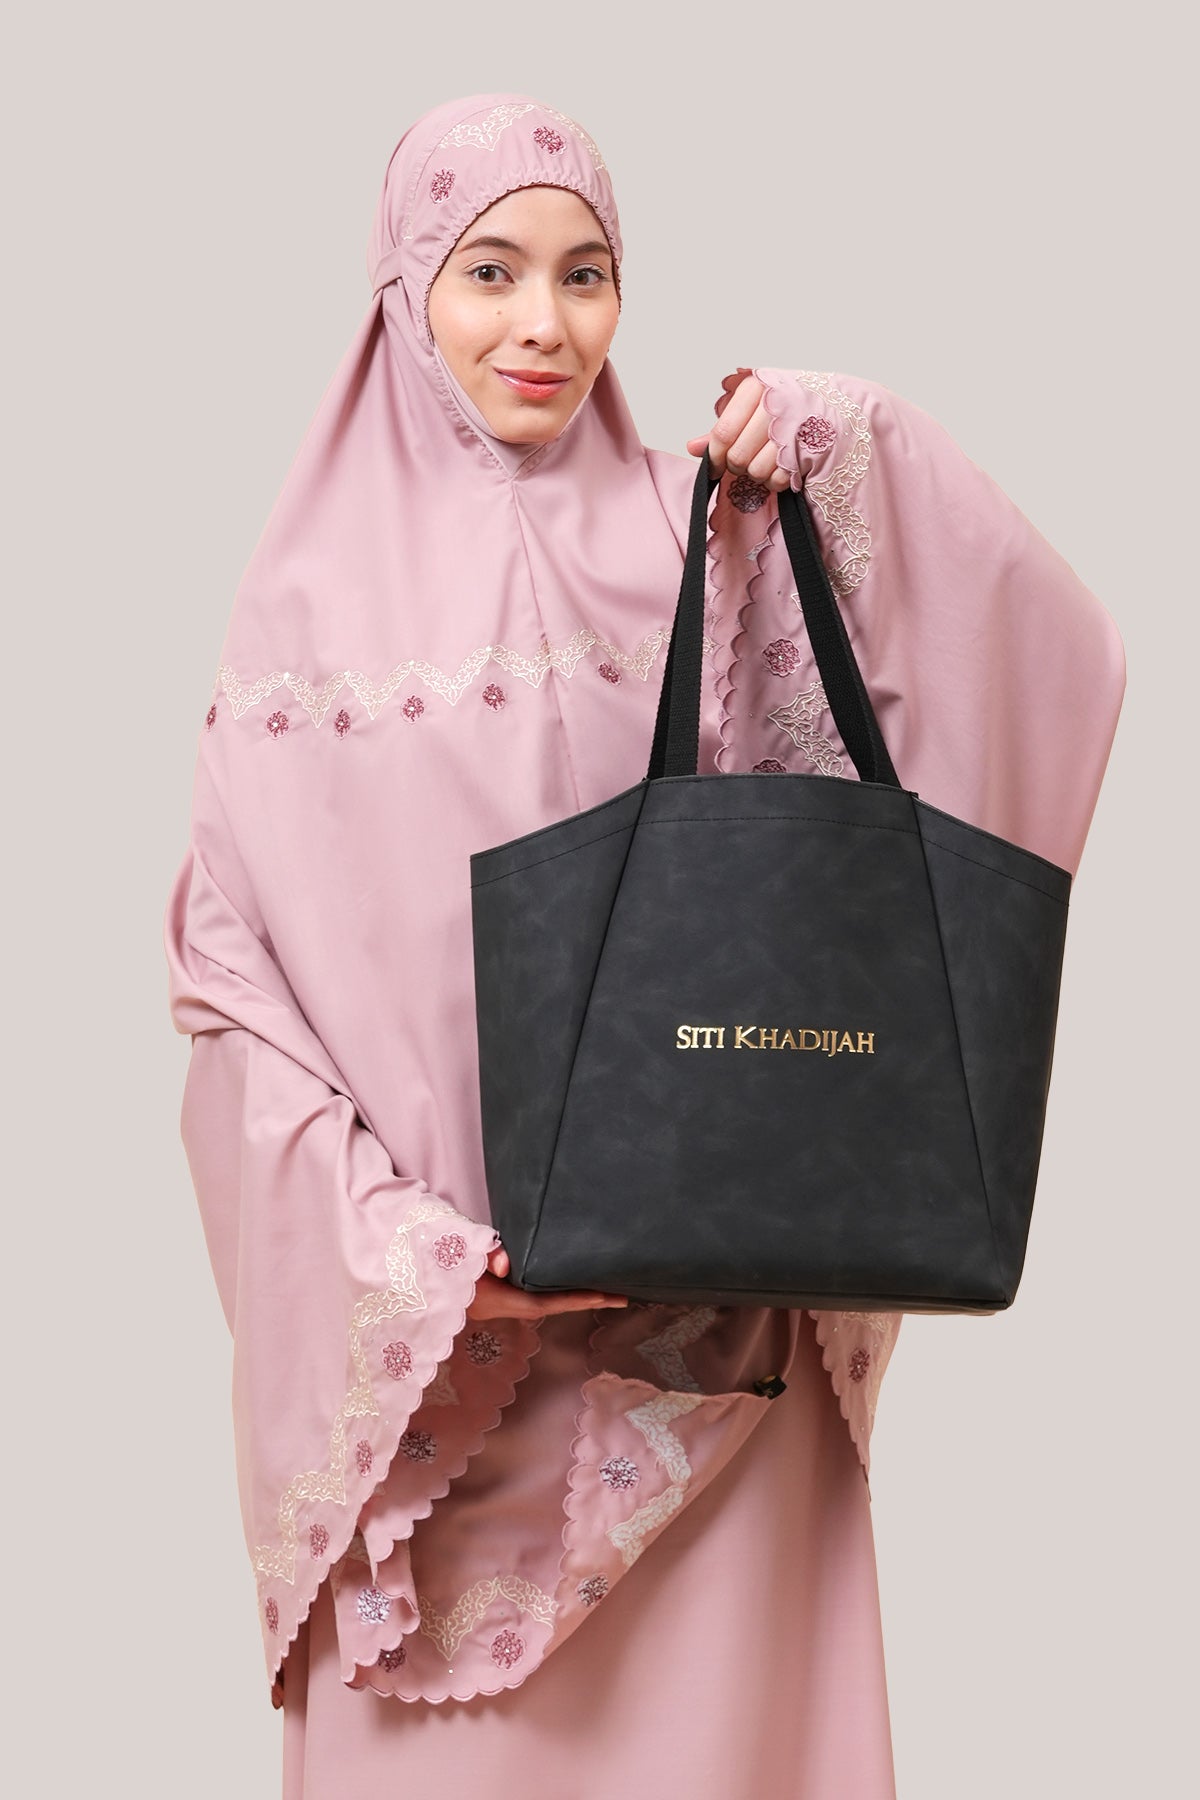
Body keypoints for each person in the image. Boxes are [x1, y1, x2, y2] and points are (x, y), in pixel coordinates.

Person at [164, 92, 1126, 1798]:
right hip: (450, 1378)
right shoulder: (298, 623)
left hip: (713, 1366)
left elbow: (1034, 657)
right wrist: (429, 1270)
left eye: (586, 272)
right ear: (402, 286)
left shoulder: (713, 538)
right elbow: (235, 1007)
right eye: (490, 271)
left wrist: (854, 444)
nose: (544, 323)